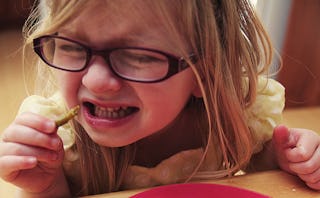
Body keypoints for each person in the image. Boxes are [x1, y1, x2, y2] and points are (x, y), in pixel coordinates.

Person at [0, 0, 319, 197]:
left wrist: (288, 162)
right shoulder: (60, 141)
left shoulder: (237, 116)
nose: (95, 81)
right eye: (70, 46)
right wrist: (44, 185)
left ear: (202, 74)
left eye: (138, 56)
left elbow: (263, 182)